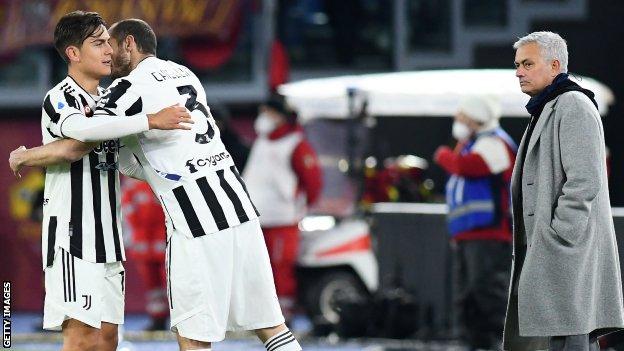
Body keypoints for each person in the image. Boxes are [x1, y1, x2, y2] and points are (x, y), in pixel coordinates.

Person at [94, 19, 299, 351]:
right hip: (239, 209)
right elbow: (152, 151)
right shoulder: (184, 73)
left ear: (129, 43)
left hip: (195, 221)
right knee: (272, 327)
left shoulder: (129, 88)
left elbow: (85, 129)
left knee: (193, 336)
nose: (106, 54)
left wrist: (33, 155)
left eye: (110, 45)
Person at [7, 11, 191, 351]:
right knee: (80, 339)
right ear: (73, 53)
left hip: (108, 235)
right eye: (97, 43)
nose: (109, 50)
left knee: (108, 338)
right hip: (73, 235)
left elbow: (122, 155)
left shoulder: (110, 101)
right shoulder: (61, 96)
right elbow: (79, 138)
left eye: (108, 42)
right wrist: (150, 120)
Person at [504, 31, 624, 351]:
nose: (519, 72)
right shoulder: (548, 105)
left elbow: (585, 178)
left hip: (564, 249)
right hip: (554, 249)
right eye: (517, 64)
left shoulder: (572, 104)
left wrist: (560, 232)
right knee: (561, 335)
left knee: (568, 336)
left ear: (555, 64)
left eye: (528, 64)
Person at [434, 96, 517, 350]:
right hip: (468, 235)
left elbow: (467, 166)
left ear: (475, 119)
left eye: (461, 117)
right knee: (467, 296)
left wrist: (444, 154)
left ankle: (500, 342)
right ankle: (472, 342)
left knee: (487, 292)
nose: (456, 122)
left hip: (490, 234)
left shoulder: (494, 142)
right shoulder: (473, 143)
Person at [243, 95, 322, 320]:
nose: (262, 118)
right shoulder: (262, 141)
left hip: (282, 218)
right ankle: (261, 316)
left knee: (281, 268)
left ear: (280, 117)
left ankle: (283, 316)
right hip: (256, 217)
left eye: (267, 112)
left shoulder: (296, 144)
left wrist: (299, 207)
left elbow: (313, 182)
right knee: (257, 269)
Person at [121, 178, 168, 331]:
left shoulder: (165, 176)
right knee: (152, 286)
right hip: (142, 242)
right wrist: (130, 238)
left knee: (173, 283)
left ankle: (182, 321)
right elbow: (125, 210)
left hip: (164, 239)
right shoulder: (131, 183)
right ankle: (158, 320)